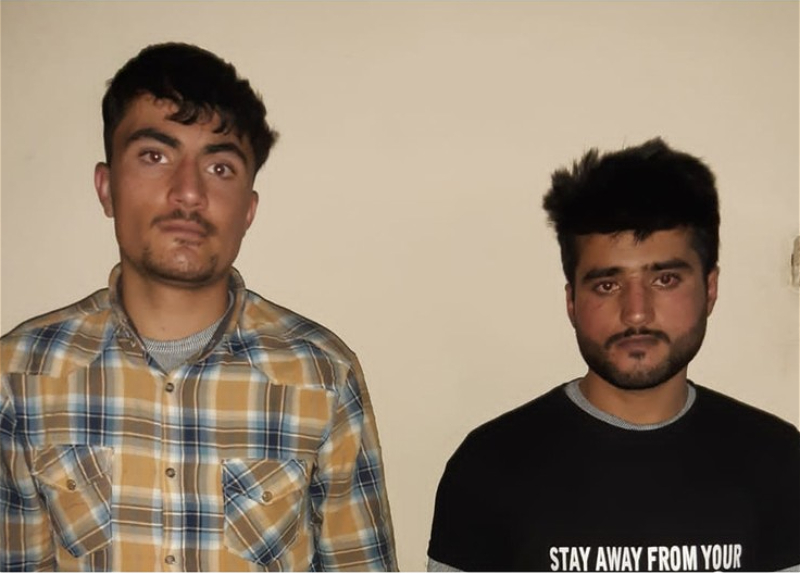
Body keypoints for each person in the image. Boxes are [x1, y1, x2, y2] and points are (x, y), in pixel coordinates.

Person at [0, 43, 396, 572]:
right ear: (106, 188)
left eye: (220, 167)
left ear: (248, 209)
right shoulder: (19, 375)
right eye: (155, 156)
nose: (188, 192)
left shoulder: (322, 375)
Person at [427, 138, 800, 572]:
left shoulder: (778, 462)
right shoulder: (489, 467)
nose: (636, 312)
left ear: (710, 288)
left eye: (665, 280)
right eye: (607, 285)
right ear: (572, 301)